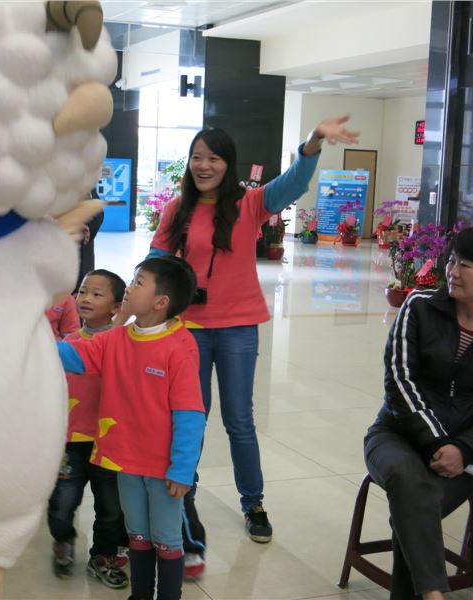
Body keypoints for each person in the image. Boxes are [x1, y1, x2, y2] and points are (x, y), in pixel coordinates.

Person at [144, 116, 360, 570]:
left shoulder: (250, 203)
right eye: (197, 157)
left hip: (239, 327)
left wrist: (313, 141)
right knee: (190, 418)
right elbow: (155, 262)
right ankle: (184, 498)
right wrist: (130, 303)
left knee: (239, 419)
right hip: (188, 329)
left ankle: (253, 503)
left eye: (213, 158)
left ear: (228, 163)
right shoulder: (176, 210)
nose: (204, 166)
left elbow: (293, 183)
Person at [58, 256, 207, 600]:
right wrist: (29, 340)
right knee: (137, 534)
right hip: (124, 459)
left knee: (166, 539)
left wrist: (182, 469)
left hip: (163, 468)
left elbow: (190, 414)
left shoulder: (179, 347)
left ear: (160, 302)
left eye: (139, 283)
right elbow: (74, 356)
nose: (129, 288)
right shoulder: (116, 338)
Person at [364, 227, 473, 600]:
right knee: (410, 486)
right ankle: (434, 595)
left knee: (414, 508)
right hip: (396, 435)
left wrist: (463, 450)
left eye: (465, 265)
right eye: (451, 261)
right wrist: (436, 442)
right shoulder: (419, 305)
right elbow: (399, 382)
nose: (452, 271)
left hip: (462, 457)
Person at [48, 269, 129, 588]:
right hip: (70, 442)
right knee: (62, 503)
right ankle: (63, 539)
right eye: (82, 291)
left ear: (117, 307)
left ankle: (103, 556)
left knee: (111, 508)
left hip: (109, 442)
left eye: (97, 294)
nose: (85, 298)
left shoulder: (123, 344)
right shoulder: (67, 344)